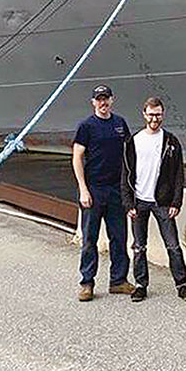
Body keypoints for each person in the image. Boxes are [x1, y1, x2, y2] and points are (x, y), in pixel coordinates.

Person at [120, 96, 186, 303]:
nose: (155, 118)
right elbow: (125, 175)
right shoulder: (132, 141)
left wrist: (176, 202)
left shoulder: (171, 141)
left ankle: (182, 285)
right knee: (139, 246)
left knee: (173, 245)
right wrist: (128, 203)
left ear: (163, 115)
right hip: (139, 202)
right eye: (151, 114)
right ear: (144, 114)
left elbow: (178, 174)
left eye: (158, 114)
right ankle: (140, 285)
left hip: (162, 202)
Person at [72, 84, 134, 301]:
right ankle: (87, 282)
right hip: (94, 189)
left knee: (119, 237)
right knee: (90, 239)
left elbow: (129, 154)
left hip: (116, 189)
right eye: (99, 99)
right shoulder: (86, 126)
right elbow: (77, 156)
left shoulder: (120, 124)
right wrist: (83, 189)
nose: (103, 103)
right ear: (93, 102)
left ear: (112, 100)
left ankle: (118, 280)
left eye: (106, 98)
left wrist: (130, 188)